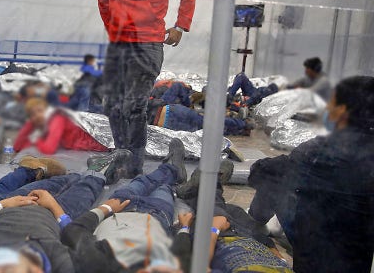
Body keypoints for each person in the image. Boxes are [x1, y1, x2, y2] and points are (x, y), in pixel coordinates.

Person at [247, 76, 374, 272]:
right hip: (359, 256)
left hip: (315, 255)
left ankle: (255, 222)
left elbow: (265, 171)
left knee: (270, 172)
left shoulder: (320, 151)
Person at [97, 0, 196, 178]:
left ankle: (133, 167)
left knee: (133, 107)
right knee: (111, 103)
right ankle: (121, 155)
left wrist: (181, 26)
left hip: (148, 44)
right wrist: (111, 27)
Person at [0, 162, 118, 273]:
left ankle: (75, 174)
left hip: (15, 203)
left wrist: (0, 205)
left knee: (62, 180)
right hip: (57, 214)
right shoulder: (63, 263)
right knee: (89, 184)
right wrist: (56, 209)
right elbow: (77, 236)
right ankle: (95, 170)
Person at [61, 139, 188, 273]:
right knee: (164, 188)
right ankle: (172, 170)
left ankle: (172, 170)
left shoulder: (96, 264)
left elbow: (72, 231)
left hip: (119, 209)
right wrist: (184, 228)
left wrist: (106, 209)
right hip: (156, 215)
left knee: (142, 181)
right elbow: (182, 258)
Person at [14, 98, 109, 155]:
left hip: (103, 144)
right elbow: (17, 147)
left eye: (40, 111)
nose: (37, 116)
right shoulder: (45, 123)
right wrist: (29, 124)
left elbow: (49, 149)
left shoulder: (57, 119)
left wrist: (36, 139)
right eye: (32, 114)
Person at [154, 104, 255, 136]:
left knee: (204, 129)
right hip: (169, 111)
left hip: (166, 123)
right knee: (207, 123)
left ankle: (240, 126)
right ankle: (240, 126)